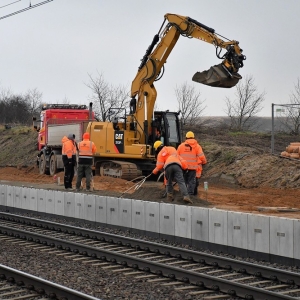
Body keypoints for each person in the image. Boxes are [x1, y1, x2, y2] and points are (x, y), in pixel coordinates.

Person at [177, 131, 207, 197]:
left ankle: (182, 194)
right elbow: (201, 156)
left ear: (186, 137)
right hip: (192, 168)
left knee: (183, 181)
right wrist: (204, 162)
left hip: (183, 167)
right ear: (193, 137)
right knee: (191, 181)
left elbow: (177, 156)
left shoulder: (181, 146)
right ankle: (190, 195)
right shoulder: (197, 146)